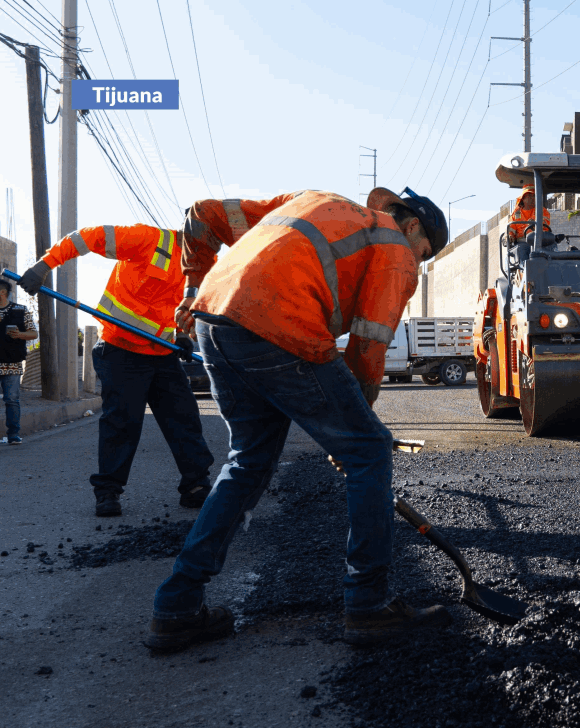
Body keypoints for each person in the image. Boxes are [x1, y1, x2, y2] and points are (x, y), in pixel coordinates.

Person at [145, 187, 449, 653]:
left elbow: (202, 215)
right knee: (369, 451)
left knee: (247, 461)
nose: (418, 261)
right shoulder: (395, 248)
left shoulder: (311, 201)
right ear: (412, 226)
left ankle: (177, 606)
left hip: (214, 317)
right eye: (424, 252)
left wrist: (191, 291)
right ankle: (367, 603)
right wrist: (350, 435)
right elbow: (367, 351)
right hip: (278, 321)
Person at [18, 226, 214, 516]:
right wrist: (45, 264)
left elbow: (192, 308)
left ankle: (196, 486)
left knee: (184, 419)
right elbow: (86, 237)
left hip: (163, 354)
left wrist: (185, 334)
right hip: (121, 350)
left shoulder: (207, 267)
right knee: (122, 423)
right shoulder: (150, 240)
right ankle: (108, 491)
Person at [0, 279, 37, 445]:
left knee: (11, 399)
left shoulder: (20, 310)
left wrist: (19, 335)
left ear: (2, 292)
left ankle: (13, 434)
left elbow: (33, 333)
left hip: (12, 363)